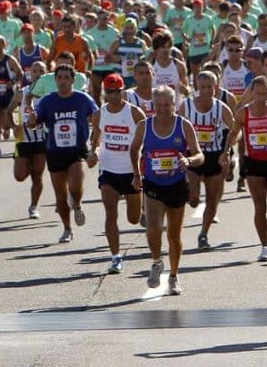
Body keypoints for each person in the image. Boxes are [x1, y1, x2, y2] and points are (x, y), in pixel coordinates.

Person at [130, 86, 205, 295]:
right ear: (153, 105)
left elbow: (200, 155)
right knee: (153, 228)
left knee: (174, 235)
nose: (162, 110)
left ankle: (173, 276)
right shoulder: (145, 125)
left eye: (167, 105)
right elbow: (134, 148)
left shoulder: (184, 125)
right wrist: (137, 175)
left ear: (174, 105)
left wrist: (188, 160)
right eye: (158, 105)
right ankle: (156, 262)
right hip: (153, 184)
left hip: (177, 185)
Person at [29, 64, 99, 243]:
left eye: (66, 78)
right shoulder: (48, 100)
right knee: (60, 195)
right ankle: (67, 229)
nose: (62, 81)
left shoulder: (82, 99)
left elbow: (98, 117)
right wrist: (32, 119)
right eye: (59, 78)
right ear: (55, 80)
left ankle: (76, 202)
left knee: (75, 187)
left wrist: (95, 143)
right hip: (55, 151)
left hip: (77, 151)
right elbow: (35, 120)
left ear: (73, 81)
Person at [224, 76, 267, 261]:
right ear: (252, 93)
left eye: (265, 94)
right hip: (253, 163)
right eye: (257, 94)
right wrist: (227, 151)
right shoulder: (244, 112)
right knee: (259, 207)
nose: (261, 97)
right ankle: (265, 246)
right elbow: (234, 133)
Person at [87, 73, 146, 274]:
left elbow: (145, 143)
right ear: (104, 93)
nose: (113, 96)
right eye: (109, 92)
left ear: (123, 91)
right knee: (110, 212)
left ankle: (143, 208)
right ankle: (115, 257)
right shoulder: (99, 115)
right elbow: (95, 141)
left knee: (133, 218)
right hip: (108, 170)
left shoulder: (136, 114)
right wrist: (93, 154)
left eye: (117, 92)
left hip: (131, 171)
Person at [180, 70, 233, 250]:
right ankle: (190, 192)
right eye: (202, 87)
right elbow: (175, 126)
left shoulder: (221, 107)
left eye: (210, 86)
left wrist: (227, 151)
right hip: (193, 155)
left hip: (214, 156)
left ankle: (203, 234)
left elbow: (235, 130)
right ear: (197, 87)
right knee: (194, 199)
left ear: (216, 87)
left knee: (212, 200)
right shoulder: (186, 105)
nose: (206, 90)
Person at [10, 61, 48, 219]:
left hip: (41, 140)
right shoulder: (22, 92)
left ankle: (34, 206)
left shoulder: (49, 96)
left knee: (37, 175)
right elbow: (9, 111)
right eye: (35, 71)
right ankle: (27, 164)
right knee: (20, 176)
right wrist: (14, 125)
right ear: (29, 74)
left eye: (41, 71)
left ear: (46, 75)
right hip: (23, 140)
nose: (38, 74)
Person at [87, 9, 120, 104]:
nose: (102, 21)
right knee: (96, 95)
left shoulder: (115, 32)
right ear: (97, 19)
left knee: (110, 95)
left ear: (108, 18)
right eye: (100, 18)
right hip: (96, 68)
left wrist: (111, 54)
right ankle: (99, 115)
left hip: (110, 67)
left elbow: (118, 50)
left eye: (105, 18)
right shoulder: (90, 33)